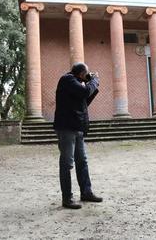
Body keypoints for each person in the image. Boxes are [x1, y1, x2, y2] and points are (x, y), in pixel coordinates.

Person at [53, 62, 103, 209]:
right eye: (86, 74)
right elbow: (84, 92)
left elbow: (84, 101)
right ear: (81, 73)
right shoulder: (67, 80)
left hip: (78, 127)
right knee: (67, 163)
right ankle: (67, 198)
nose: (87, 77)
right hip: (67, 128)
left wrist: (91, 85)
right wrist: (94, 80)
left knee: (82, 161)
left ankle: (86, 193)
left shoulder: (78, 85)